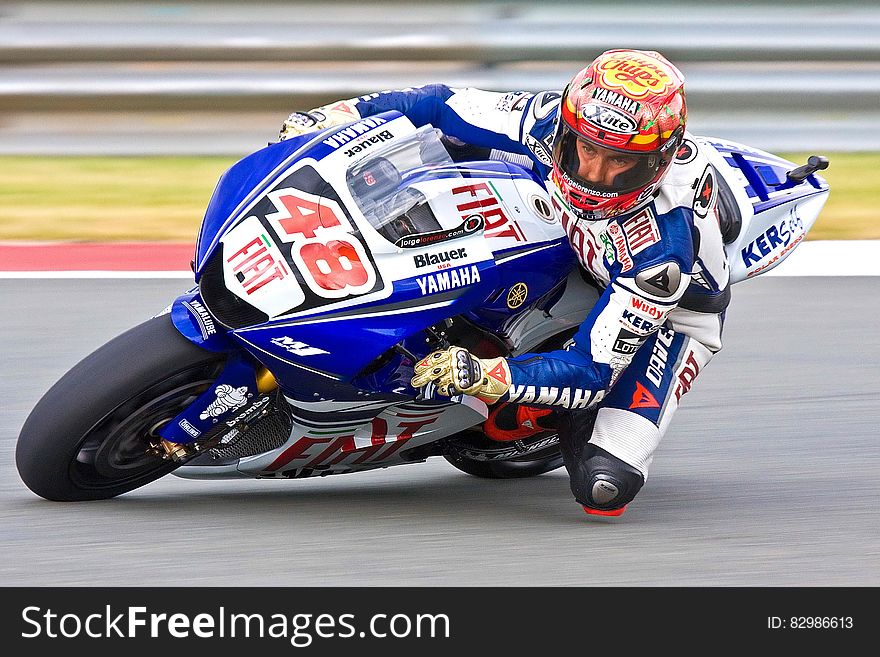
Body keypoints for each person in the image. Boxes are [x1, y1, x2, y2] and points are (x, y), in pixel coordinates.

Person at [277, 49, 729, 517]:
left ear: (658, 163)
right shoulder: (549, 120)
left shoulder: (659, 255)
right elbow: (437, 104)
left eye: (620, 162)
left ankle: (558, 414)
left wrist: (486, 375)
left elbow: (592, 371)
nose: (594, 174)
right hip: (564, 228)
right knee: (449, 140)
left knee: (605, 484)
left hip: (668, 315)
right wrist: (335, 115)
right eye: (585, 149)